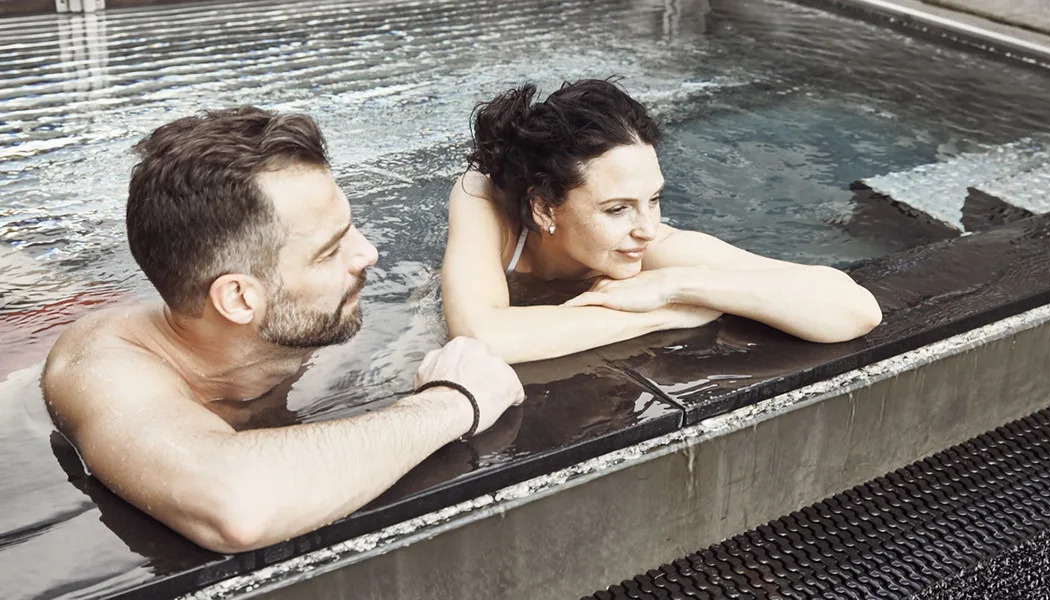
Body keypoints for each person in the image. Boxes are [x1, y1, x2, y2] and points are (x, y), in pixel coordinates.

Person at [40, 107, 524, 554]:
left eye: (350, 228)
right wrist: (451, 402)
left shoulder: (286, 331)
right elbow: (237, 503)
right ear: (239, 299)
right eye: (330, 249)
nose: (368, 253)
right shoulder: (103, 367)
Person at [442, 79, 883, 364]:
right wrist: (662, 315)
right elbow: (481, 336)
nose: (647, 228)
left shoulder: (656, 249)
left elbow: (856, 310)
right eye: (617, 209)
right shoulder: (484, 202)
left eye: (653, 199)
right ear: (543, 208)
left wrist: (674, 285)